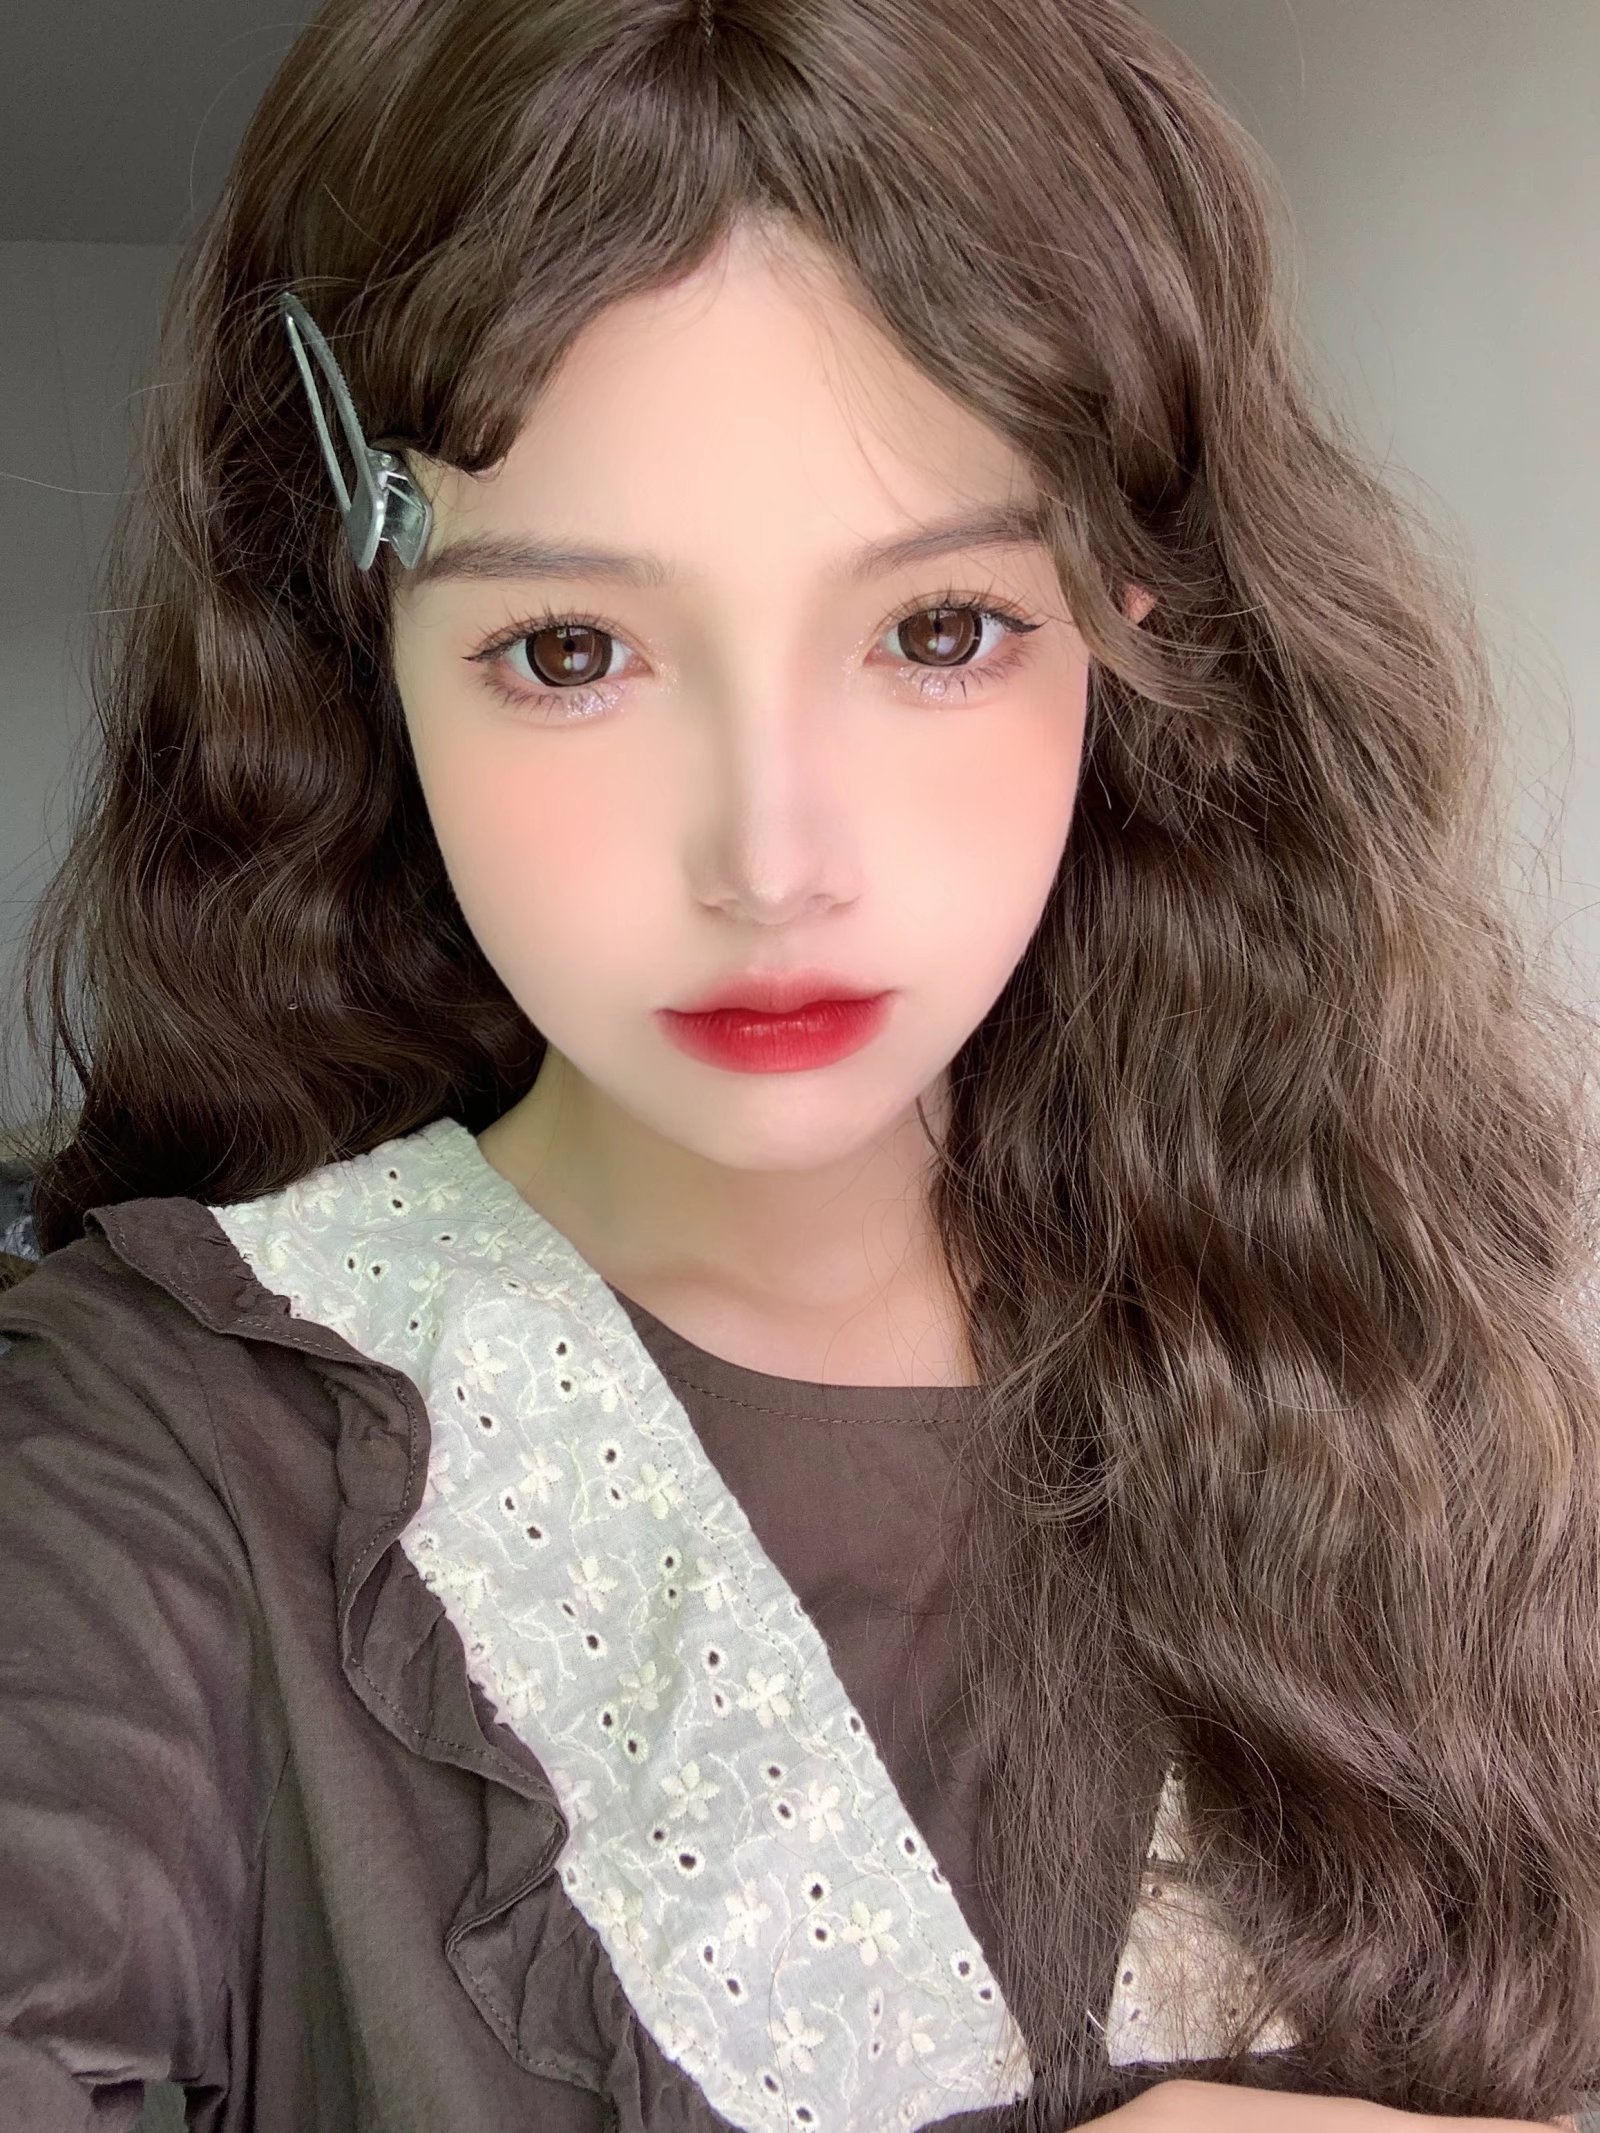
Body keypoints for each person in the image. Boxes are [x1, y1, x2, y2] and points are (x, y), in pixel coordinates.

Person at [2, 1, 1598, 2129]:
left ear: (1130, 621)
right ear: (367, 655)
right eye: (569, 649)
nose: (771, 858)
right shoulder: (144, 1459)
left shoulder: (1431, 1387)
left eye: (937, 630)